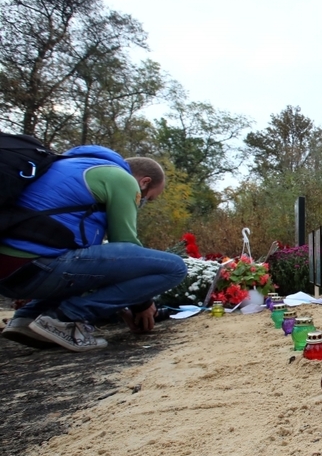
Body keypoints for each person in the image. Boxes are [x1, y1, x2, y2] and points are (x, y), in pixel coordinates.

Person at [0, 145, 187, 352]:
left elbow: (95, 265)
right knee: (173, 267)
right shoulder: (122, 179)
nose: (143, 203)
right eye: (148, 199)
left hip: (11, 273)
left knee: (81, 261)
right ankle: (66, 320)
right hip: (36, 268)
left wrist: (119, 304)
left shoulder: (67, 165)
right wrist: (142, 304)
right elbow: (125, 244)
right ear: (144, 182)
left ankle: (27, 318)